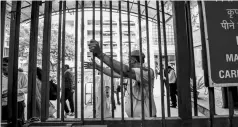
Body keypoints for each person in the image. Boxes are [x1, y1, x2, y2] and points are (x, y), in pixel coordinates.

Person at [88, 39, 157, 117]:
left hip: (147, 119)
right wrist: (98, 67)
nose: (128, 62)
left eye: (129, 60)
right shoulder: (131, 74)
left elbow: (125, 70)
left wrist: (100, 54)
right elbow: (113, 73)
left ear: (133, 60)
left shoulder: (147, 72)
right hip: (134, 118)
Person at [1, 57, 28, 126]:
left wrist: (14, 92)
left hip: (17, 103)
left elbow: (27, 88)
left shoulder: (21, 75)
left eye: (5, 65)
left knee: (17, 123)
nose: (2, 67)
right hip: (3, 104)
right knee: (4, 123)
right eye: (1, 64)